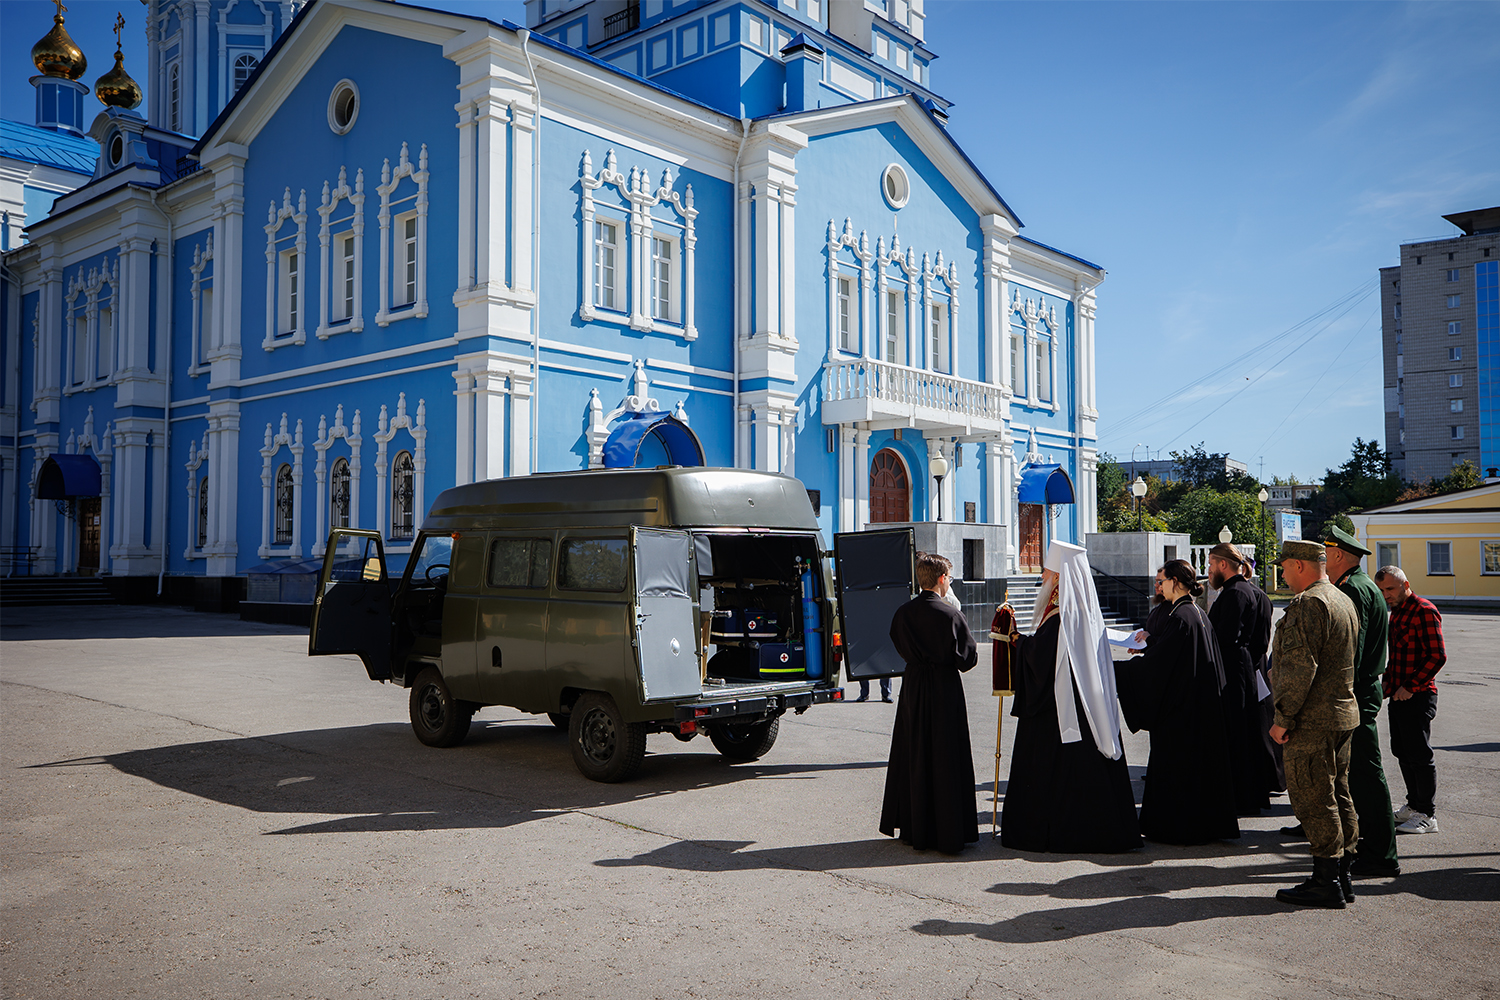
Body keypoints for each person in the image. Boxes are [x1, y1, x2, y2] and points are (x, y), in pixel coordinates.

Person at [1000, 541, 1141, 853]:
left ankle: (1063, 832)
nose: (1042, 578)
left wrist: (1014, 638)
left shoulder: (1064, 615)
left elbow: (1041, 658)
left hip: (1061, 712)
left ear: (1060, 578)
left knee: (1061, 768)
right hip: (1084, 704)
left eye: (1047, 572)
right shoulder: (1080, 611)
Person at [1114, 559, 1240, 845]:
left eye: (1163, 581)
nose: (1160, 586)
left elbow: (1159, 667)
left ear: (1175, 581)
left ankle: (1177, 829)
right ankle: (1202, 825)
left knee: (1180, 770)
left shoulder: (1182, 616)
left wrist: (1118, 670)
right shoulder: (1194, 613)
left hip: (1183, 712)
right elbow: (1176, 657)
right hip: (1198, 706)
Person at [1268, 540, 1360, 909]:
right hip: (1340, 713)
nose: (1283, 575)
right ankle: (1343, 876)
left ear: (1300, 565)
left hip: (1313, 719)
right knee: (1339, 793)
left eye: (1285, 568)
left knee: (1314, 798)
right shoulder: (1341, 598)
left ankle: (1326, 883)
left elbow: (1298, 668)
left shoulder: (1309, 603)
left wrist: (1282, 718)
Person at [879, 552, 980, 853]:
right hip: (943, 689)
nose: (949, 582)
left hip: (913, 687)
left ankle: (916, 828)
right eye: (948, 577)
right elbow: (968, 659)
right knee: (945, 755)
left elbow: (897, 642)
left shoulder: (903, 613)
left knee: (916, 752)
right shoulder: (951, 615)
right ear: (940, 579)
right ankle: (947, 831)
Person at [1324, 528, 1400, 878]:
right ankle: (1369, 846)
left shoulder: (1354, 589)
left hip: (1356, 691)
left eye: (1327, 552)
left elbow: (1349, 649)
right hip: (1361, 689)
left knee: (1367, 775)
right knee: (1357, 774)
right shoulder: (1361, 585)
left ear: (1339, 555)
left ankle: (1381, 853)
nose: (1324, 559)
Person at [1375, 565, 1446, 836]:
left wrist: (1411, 686)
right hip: (1399, 694)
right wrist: (1389, 685)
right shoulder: (1398, 613)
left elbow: (1437, 655)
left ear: (1406, 585)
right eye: (1382, 590)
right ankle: (1414, 805)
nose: (1386, 595)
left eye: (1390, 589)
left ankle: (1427, 814)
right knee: (1402, 752)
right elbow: (1397, 657)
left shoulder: (1423, 610)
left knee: (1419, 755)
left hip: (1418, 695)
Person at [1206, 542, 1275, 815]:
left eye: (1211, 564)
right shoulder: (1242, 590)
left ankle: (1243, 796)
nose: (1209, 571)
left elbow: (1226, 637)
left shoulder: (1235, 593)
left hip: (1234, 670)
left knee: (1238, 733)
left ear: (1223, 565)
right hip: (1243, 667)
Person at [1243, 557, 1285, 793]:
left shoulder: (1246, 595)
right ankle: (1274, 774)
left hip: (1252, 663)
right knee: (1263, 719)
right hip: (1258, 660)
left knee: (1260, 721)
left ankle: (1269, 774)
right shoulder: (1261, 595)